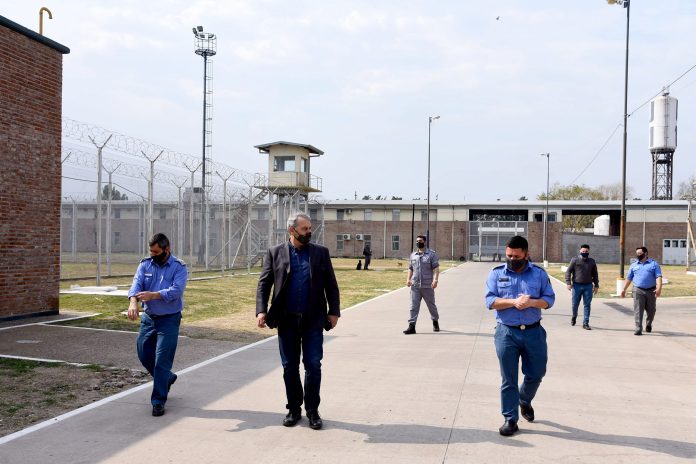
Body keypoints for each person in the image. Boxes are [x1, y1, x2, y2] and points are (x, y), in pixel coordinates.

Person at [256, 212, 340, 430]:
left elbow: (331, 284)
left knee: (313, 364)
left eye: (310, 228)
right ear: (292, 230)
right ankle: (294, 408)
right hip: (287, 321)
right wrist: (261, 311)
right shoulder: (275, 253)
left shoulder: (320, 253)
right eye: (304, 229)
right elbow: (264, 283)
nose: (309, 232)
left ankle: (312, 410)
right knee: (289, 367)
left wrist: (334, 312)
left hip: (313, 320)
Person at [485, 235, 555, 436]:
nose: (512, 259)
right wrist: (513, 302)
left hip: (534, 332)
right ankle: (510, 418)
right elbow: (490, 301)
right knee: (508, 378)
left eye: (516, 256)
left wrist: (532, 302)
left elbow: (549, 299)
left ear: (526, 255)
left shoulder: (539, 274)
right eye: (509, 255)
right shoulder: (496, 274)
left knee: (537, 373)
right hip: (506, 332)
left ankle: (524, 399)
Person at [127, 233, 188, 417]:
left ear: (166, 250)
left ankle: (158, 401)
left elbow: (177, 290)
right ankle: (167, 378)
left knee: (162, 360)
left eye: (156, 252)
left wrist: (154, 295)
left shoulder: (179, 267)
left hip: (169, 319)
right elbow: (136, 284)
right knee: (144, 353)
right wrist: (132, 302)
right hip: (149, 318)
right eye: (151, 251)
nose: (152, 254)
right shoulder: (145, 264)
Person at [620, 246, 662, 336]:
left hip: (651, 290)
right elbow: (629, 278)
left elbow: (658, 277)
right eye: (637, 253)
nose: (638, 255)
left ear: (645, 253)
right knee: (638, 310)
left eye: (640, 253)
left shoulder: (654, 264)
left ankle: (649, 324)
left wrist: (659, 288)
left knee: (651, 311)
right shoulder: (634, 265)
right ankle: (638, 328)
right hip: (638, 290)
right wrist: (623, 289)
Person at [403, 235, 440, 334]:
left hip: (428, 285)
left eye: (420, 241)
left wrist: (435, 280)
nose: (418, 242)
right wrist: (408, 279)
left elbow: (436, 269)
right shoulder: (413, 255)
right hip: (415, 285)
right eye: (417, 241)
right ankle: (412, 326)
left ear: (425, 242)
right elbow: (410, 268)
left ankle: (435, 321)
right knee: (413, 307)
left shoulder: (431, 254)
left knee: (431, 305)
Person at [564, 244, 599, 330]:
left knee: (587, 305)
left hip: (588, 286)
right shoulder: (575, 260)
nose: (584, 253)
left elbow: (595, 274)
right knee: (575, 304)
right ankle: (574, 316)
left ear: (589, 252)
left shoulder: (592, 261)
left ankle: (585, 323)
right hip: (577, 286)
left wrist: (596, 285)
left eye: (586, 251)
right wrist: (568, 283)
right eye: (583, 251)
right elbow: (568, 272)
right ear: (580, 251)